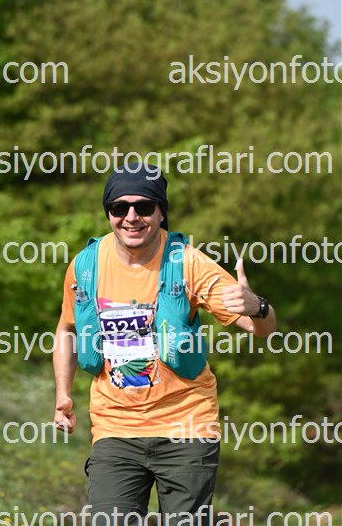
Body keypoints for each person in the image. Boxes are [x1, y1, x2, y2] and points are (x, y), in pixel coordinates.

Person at [53, 164, 276, 525]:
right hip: (115, 428)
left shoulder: (189, 263)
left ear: (160, 212)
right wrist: (63, 394)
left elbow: (262, 329)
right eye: (119, 207)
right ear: (108, 213)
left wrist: (258, 306)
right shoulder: (86, 266)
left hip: (187, 425)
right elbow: (66, 329)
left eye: (143, 207)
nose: (131, 217)